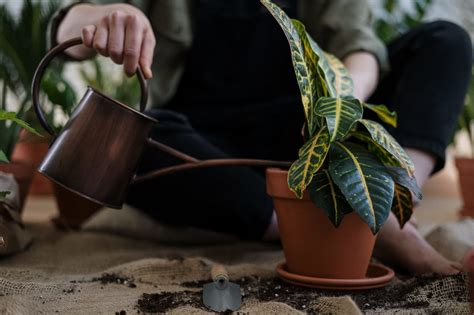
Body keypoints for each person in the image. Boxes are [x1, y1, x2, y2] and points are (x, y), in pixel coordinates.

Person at [51, 0, 472, 275]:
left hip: (312, 136)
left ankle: (394, 204)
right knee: (135, 143)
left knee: (445, 42)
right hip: (208, 143)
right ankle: (336, 223)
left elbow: (359, 46)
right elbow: (67, 30)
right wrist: (107, 18)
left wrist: (340, 104)